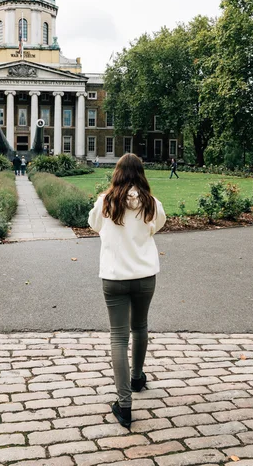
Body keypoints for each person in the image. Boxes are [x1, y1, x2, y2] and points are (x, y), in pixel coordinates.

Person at [88, 153, 166, 431]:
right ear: (141, 173)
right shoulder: (151, 203)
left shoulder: (106, 202)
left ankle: (124, 404)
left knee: (118, 337)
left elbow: (93, 225)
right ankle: (136, 378)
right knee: (140, 326)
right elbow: (157, 227)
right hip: (144, 275)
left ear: (117, 173)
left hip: (115, 276)